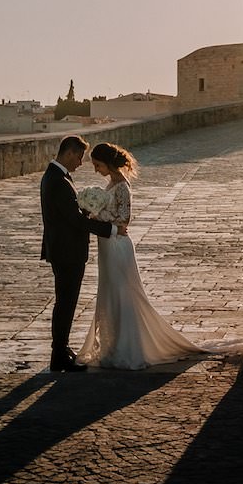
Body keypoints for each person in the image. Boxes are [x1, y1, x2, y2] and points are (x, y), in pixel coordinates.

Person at [76, 140, 204, 368]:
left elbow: (124, 220)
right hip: (107, 245)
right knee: (110, 294)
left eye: (97, 165)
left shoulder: (122, 187)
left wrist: (96, 217)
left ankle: (127, 348)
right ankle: (112, 345)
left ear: (107, 163)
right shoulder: (111, 184)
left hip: (117, 246)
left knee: (122, 295)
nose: (95, 170)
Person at [40, 133, 115, 372]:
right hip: (67, 251)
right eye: (79, 157)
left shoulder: (56, 177)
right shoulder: (58, 181)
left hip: (63, 250)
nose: (80, 163)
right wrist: (109, 229)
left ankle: (61, 350)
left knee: (66, 302)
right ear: (70, 152)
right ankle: (58, 355)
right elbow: (74, 220)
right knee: (66, 303)